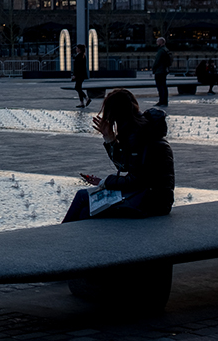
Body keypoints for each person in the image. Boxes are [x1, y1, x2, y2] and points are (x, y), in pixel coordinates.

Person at [62, 88, 174, 223]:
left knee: (82, 198)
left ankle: (58, 238)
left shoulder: (138, 135)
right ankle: (66, 240)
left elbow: (135, 180)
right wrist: (110, 139)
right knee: (86, 211)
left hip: (151, 201)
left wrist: (105, 183)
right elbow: (126, 166)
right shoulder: (142, 128)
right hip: (155, 197)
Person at [152, 36, 172, 107]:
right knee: (164, 86)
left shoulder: (161, 51)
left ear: (161, 42)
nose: (156, 43)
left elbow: (157, 61)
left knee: (160, 87)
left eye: (157, 41)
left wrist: (153, 68)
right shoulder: (166, 50)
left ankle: (162, 101)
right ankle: (164, 101)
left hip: (159, 71)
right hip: (164, 70)